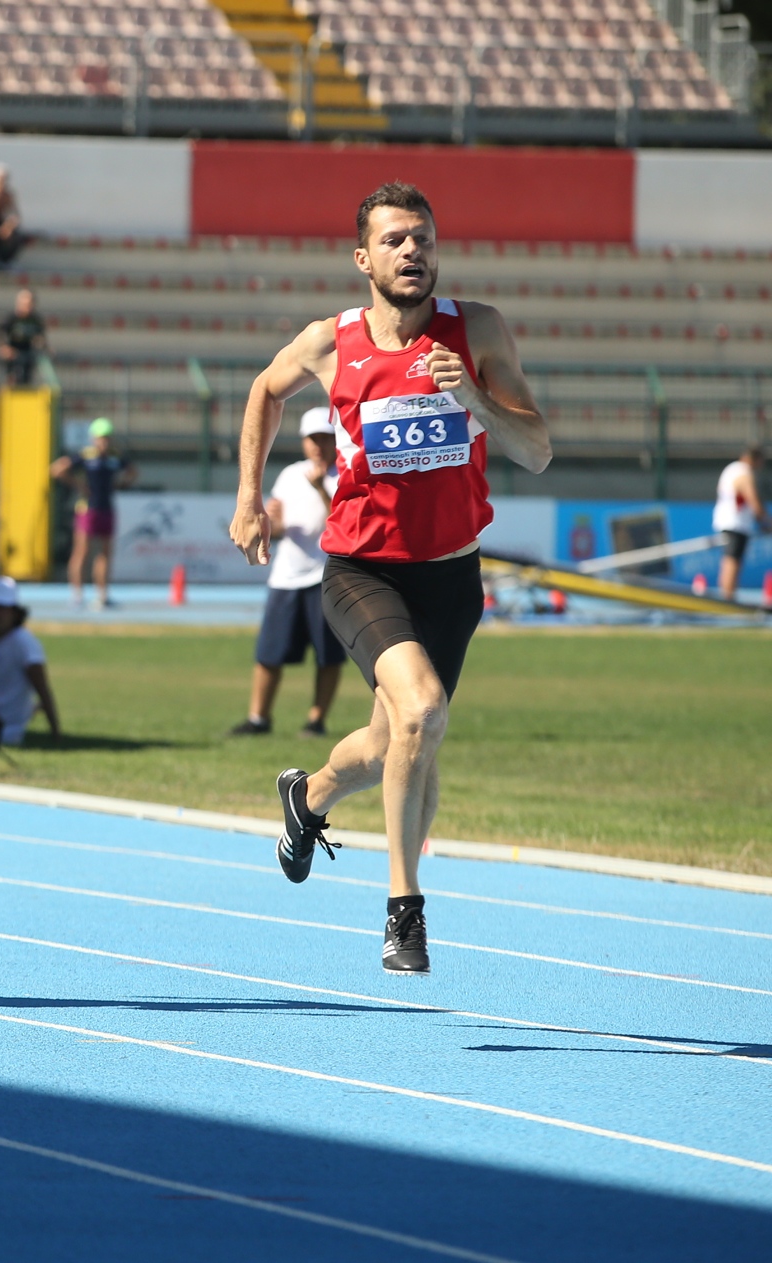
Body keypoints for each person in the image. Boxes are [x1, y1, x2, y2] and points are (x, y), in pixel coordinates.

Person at [228, 182, 551, 974]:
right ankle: (403, 912)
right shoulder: (330, 341)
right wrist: (247, 496)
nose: (413, 252)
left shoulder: (476, 331)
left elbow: (535, 448)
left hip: (448, 577)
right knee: (423, 708)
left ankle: (305, 801)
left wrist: (470, 395)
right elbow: (263, 392)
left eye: (424, 239)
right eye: (396, 240)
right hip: (361, 569)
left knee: (394, 741)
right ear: (363, 257)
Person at [231, 406, 346, 739]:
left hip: (327, 576)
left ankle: (316, 721)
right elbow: (278, 526)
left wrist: (322, 487)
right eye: (313, 439)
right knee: (269, 652)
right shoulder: (291, 475)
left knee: (328, 655)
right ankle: (258, 718)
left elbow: (343, 521)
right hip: (287, 575)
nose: (318, 446)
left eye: (325, 438)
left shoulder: (344, 474)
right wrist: (271, 526)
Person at [0, 577, 60, 752]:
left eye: (2, 609)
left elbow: (42, 688)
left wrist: (56, 733)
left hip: (9, 727)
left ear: (14, 612)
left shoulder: (25, 644)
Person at [52, 418, 136, 609]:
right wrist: (78, 485)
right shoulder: (85, 456)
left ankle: (102, 595)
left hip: (107, 509)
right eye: (100, 438)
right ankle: (77, 594)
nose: (104, 442)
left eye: (107, 438)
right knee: (82, 551)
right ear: (93, 439)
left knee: (105, 553)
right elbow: (57, 469)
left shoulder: (115, 457)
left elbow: (132, 472)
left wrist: (122, 484)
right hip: (87, 509)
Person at [713, 444, 772, 601]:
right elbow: (752, 499)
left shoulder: (732, 469)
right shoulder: (744, 472)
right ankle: (727, 598)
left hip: (729, 521)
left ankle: (726, 595)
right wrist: (767, 520)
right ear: (756, 459)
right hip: (735, 523)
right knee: (732, 560)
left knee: (730, 560)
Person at [0, 288, 49, 386]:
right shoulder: (11, 318)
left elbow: (41, 336)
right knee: (13, 372)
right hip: (13, 351)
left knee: (26, 376)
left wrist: (44, 346)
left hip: (28, 351)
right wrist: (3, 346)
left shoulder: (35, 320)